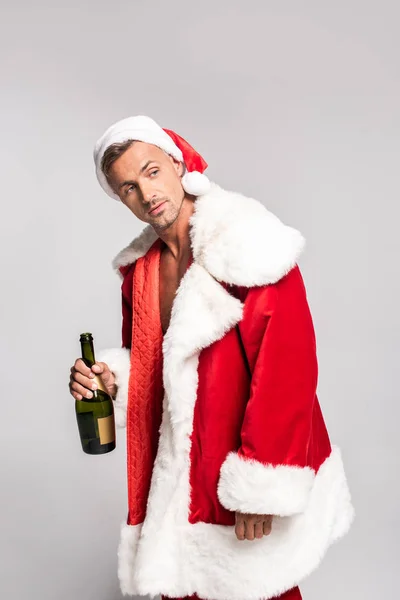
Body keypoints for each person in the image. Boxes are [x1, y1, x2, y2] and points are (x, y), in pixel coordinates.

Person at [68, 115, 355, 600]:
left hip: (240, 462)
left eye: (153, 172)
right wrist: (114, 383)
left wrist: (260, 486)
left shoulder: (248, 242)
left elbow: (288, 367)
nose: (147, 193)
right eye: (129, 189)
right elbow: (155, 370)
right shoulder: (141, 271)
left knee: (259, 588)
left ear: (178, 163)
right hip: (180, 471)